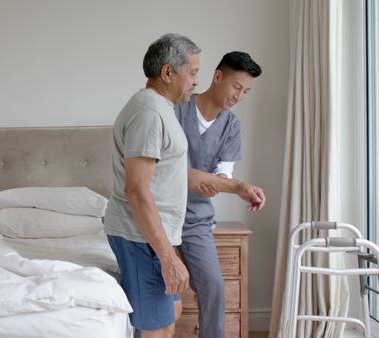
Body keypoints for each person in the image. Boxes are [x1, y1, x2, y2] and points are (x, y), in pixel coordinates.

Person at [103, 33, 201, 338]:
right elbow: (136, 189)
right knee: (157, 327)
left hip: (154, 236)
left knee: (171, 312)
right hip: (139, 237)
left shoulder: (159, 109)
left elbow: (172, 173)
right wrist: (168, 258)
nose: (197, 81)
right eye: (193, 72)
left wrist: (235, 186)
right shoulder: (148, 113)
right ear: (168, 72)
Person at [174, 51, 266, 338]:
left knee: (214, 286)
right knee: (160, 296)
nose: (239, 96)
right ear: (217, 77)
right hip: (161, 216)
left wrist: (220, 182)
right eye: (237, 87)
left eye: (246, 92)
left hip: (197, 220)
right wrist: (224, 183)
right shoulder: (176, 109)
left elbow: (224, 171)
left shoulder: (232, 125)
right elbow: (162, 170)